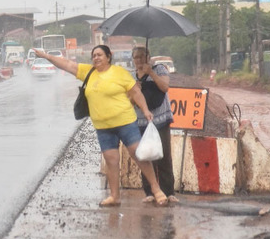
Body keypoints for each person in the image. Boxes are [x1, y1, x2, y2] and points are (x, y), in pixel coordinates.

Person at [33, 45, 168, 207]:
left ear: (108, 56)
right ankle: (114, 196)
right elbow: (67, 64)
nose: (96, 58)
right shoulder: (88, 72)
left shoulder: (120, 73)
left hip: (125, 123)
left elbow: (136, 93)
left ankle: (156, 189)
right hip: (103, 127)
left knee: (138, 154)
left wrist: (145, 110)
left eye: (99, 55)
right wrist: (47, 56)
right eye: (94, 55)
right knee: (111, 160)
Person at [131, 46, 177, 203]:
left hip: (161, 119)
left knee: (164, 155)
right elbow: (129, 102)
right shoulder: (132, 76)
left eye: (142, 56)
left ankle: (169, 192)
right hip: (142, 122)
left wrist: (151, 73)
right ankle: (149, 192)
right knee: (145, 155)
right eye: (136, 57)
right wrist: (135, 90)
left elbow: (165, 87)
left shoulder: (160, 69)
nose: (139, 60)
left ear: (149, 57)